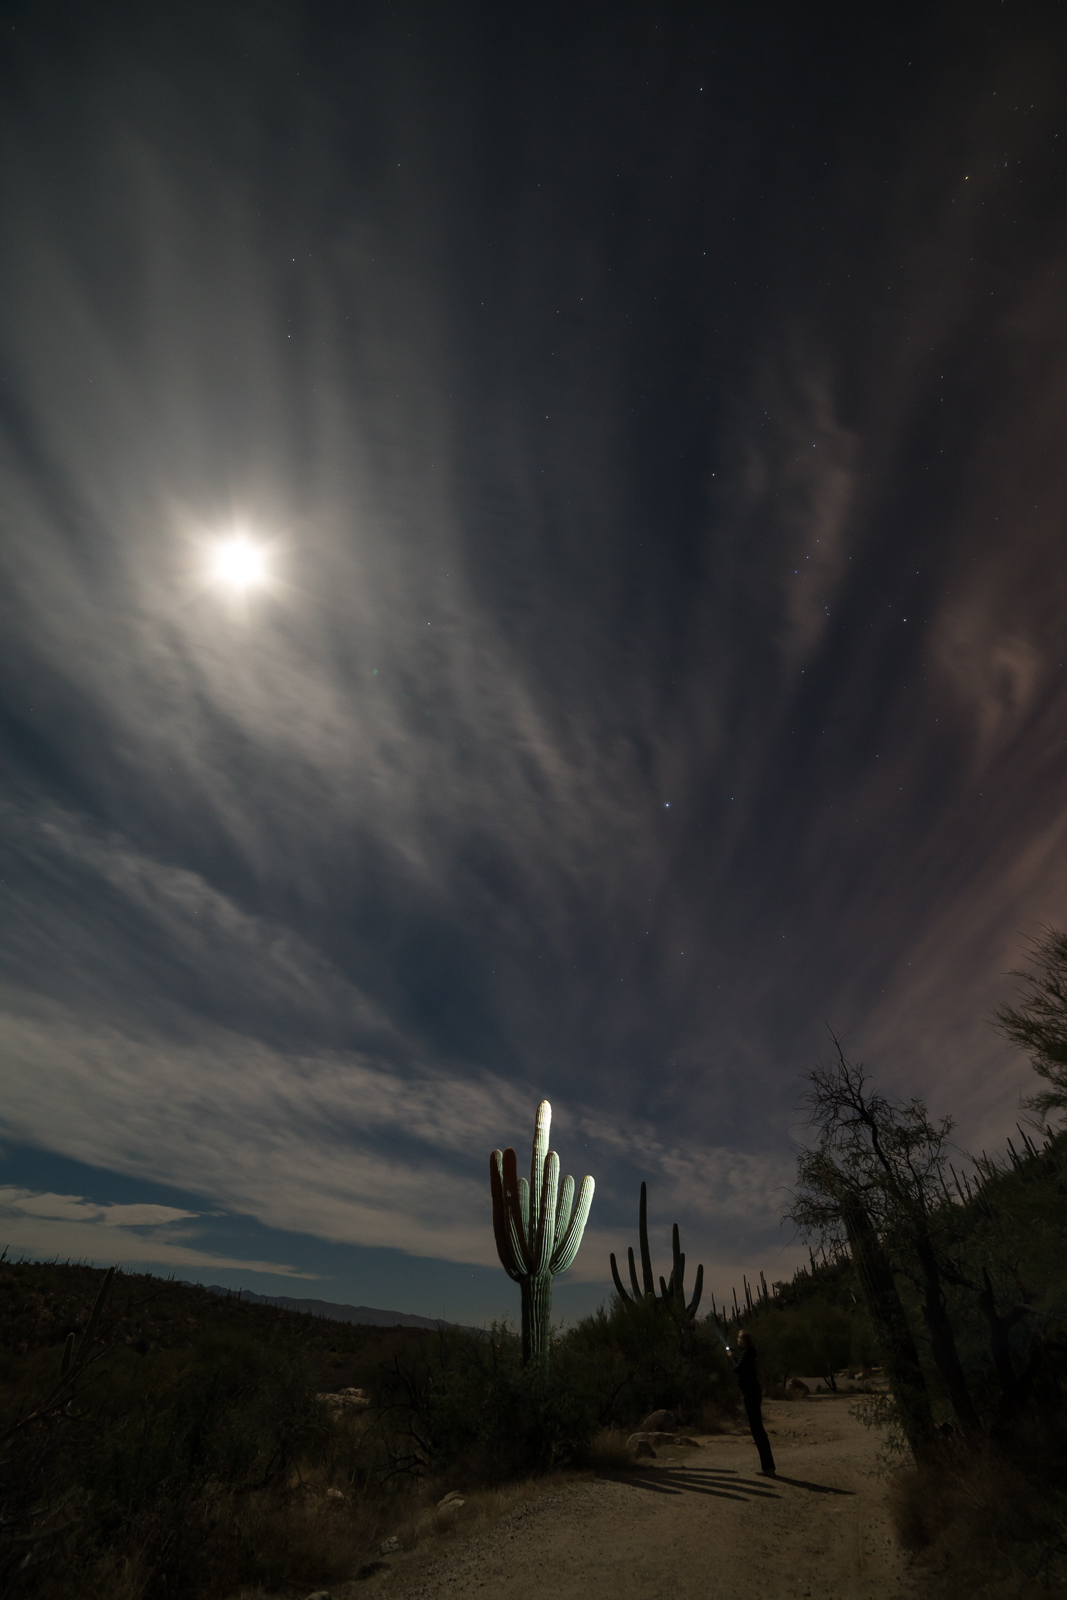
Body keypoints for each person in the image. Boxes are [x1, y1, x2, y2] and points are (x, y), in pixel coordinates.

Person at [729, 1328, 776, 1475]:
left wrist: (731, 1357)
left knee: (757, 1430)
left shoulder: (747, 1352)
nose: (737, 1340)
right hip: (752, 1393)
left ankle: (768, 1467)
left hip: (750, 1394)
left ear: (744, 1340)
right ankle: (768, 1466)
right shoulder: (749, 1352)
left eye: (739, 1338)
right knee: (757, 1429)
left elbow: (738, 1369)